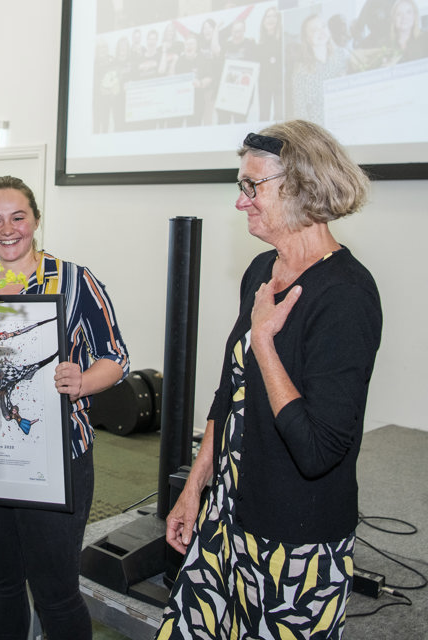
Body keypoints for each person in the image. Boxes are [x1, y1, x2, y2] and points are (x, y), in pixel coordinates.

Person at [156, 120, 382, 640]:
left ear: (302, 187)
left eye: (251, 187)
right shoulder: (262, 270)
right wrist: (196, 487)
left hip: (295, 542)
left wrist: (265, 346)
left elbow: (318, 449)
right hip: (228, 518)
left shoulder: (346, 294)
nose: (242, 202)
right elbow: (229, 392)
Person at [0, 175, 129, 640]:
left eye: (18, 217)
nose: (7, 229)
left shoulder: (74, 279)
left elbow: (116, 358)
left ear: (35, 220)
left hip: (57, 455)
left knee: (56, 591)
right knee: (2, 583)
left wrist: (82, 381)